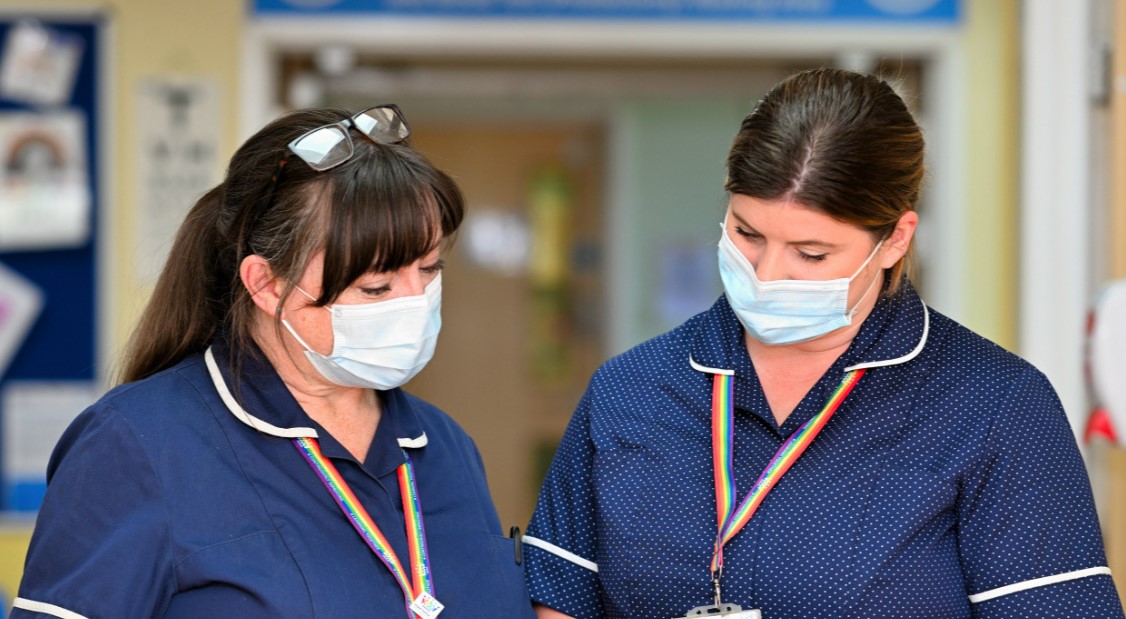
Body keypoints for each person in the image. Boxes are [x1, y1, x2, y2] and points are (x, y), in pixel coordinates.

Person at [523, 69, 1125, 619]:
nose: (766, 275)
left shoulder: (995, 405)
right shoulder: (631, 389)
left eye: (810, 254)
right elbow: (560, 599)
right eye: (747, 234)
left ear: (895, 239)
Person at [12, 105, 535, 619]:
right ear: (265, 284)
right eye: (376, 287)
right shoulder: (136, 445)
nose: (415, 301)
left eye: (429, 269)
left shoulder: (444, 445)